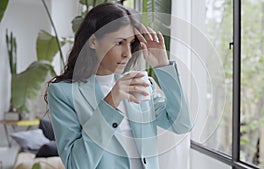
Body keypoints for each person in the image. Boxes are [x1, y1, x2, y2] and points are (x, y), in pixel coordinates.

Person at [46, 2, 192, 169]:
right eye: (119, 42)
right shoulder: (63, 93)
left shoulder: (138, 83)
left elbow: (182, 124)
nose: (127, 53)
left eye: (130, 43)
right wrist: (110, 102)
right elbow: (76, 165)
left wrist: (162, 66)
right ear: (93, 41)